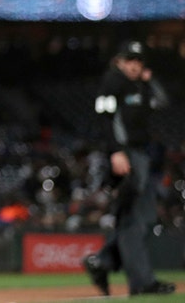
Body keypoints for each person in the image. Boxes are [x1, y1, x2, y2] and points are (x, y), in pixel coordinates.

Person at [81, 40, 176, 296]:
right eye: (130, 60)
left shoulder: (139, 85)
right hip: (125, 156)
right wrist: (115, 152)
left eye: (139, 60)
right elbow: (104, 120)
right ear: (119, 61)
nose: (135, 65)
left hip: (142, 156)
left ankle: (103, 261)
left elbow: (163, 102)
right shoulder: (113, 81)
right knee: (133, 220)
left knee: (142, 219)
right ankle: (142, 282)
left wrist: (150, 80)